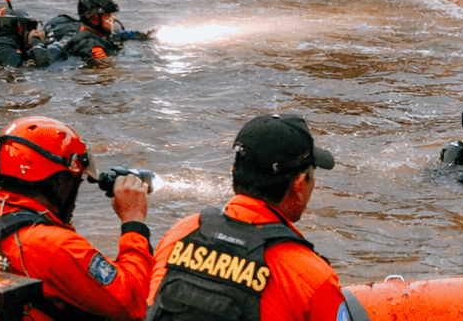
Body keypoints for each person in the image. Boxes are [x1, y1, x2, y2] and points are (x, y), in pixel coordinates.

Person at [147, 113, 349, 321]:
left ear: (234, 171)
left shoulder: (181, 233)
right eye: (312, 174)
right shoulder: (310, 275)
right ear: (298, 184)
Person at [0, 116, 153, 320]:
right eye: (75, 180)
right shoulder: (55, 246)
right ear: (60, 182)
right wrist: (133, 221)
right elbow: (132, 304)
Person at [43, 0, 150, 61]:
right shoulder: (91, 46)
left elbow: (119, 35)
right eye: (108, 16)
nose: (112, 20)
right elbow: (104, 70)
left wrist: (149, 35)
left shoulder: (92, 31)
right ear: (93, 18)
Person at [0, 0, 63, 68]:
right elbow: (41, 67)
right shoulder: (4, 52)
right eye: (29, 28)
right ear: (20, 29)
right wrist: (37, 43)